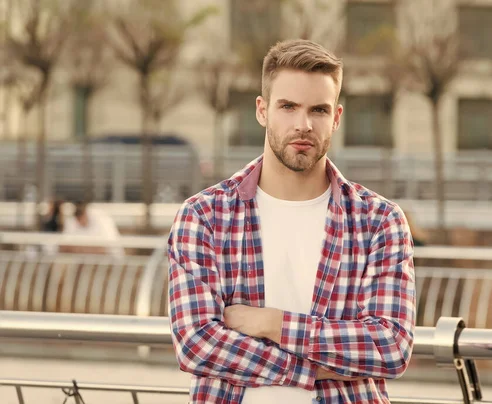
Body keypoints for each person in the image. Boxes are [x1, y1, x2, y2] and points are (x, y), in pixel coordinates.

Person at [167, 39, 416, 404]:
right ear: (262, 110)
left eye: (318, 110)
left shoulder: (379, 221)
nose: (303, 124)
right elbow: (197, 344)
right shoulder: (205, 217)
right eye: (288, 107)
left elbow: (389, 347)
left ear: (337, 117)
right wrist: (312, 368)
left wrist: (273, 324)